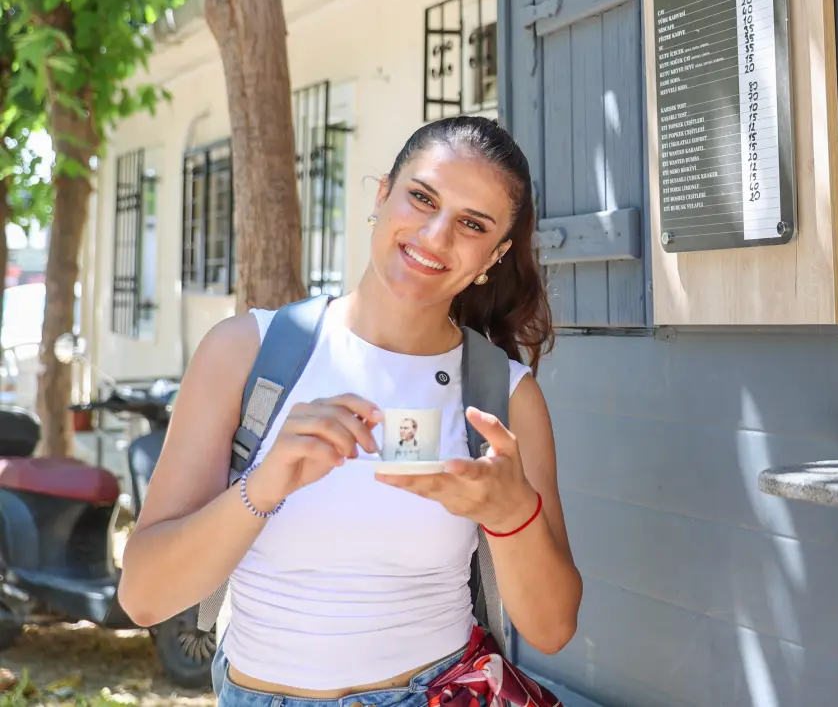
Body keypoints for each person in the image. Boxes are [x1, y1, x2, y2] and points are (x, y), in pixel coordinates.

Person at [119, 117, 581, 705]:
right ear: (382, 195)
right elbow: (145, 598)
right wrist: (264, 485)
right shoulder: (246, 352)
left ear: (496, 254)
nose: (435, 235)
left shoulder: (505, 396)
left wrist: (512, 512)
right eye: (422, 198)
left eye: (472, 224)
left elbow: (552, 629)